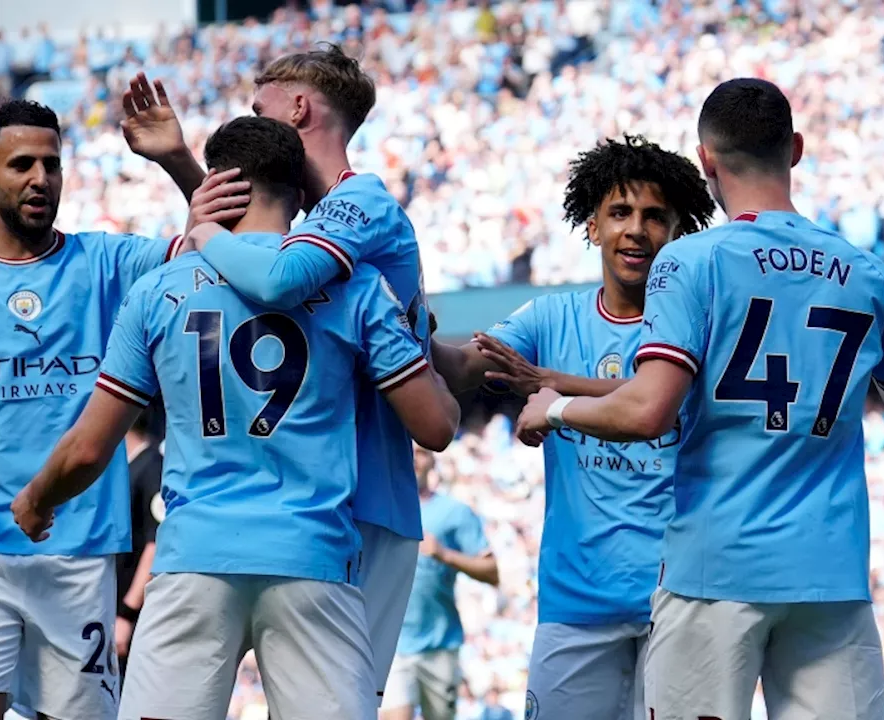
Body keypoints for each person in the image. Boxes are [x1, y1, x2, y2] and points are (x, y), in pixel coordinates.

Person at [9, 116, 460, 720]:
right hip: (314, 562)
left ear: (217, 185)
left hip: (195, 559)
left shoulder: (157, 291)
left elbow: (89, 449)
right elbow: (434, 428)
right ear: (301, 199)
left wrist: (38, 498)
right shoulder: (357, 289)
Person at [515, 78, 884, 720]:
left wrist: (556, 407)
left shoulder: (691, 261)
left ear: (706, 159)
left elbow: (647, 411)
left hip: (713, 575)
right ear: (795, 149)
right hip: (831, 574)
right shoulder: (866, 273)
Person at [0, 97, 205, 720]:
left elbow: (224, 240)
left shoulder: (107, 263)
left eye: (51, 165)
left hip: (79, 549)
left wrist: (175, 159)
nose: (40, 179)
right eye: (21, 164)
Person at [141, 43, 434, 705]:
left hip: (363, 501)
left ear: (299, 107)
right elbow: (258, 238)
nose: (256, 123)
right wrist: (181, 164)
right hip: (309, 501)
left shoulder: (361, 203)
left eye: (260, 108)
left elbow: (273, 276)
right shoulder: (320, 222)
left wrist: (201, 232)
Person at [434, 136, 715, 719]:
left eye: (654, 217)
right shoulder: (550, 316)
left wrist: (553, 385)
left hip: (681, 603)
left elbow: (654, 401)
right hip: (576, 604)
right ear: (592, 227)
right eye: (620, 213)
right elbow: (462, 367)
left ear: (677, 234)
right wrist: (408, 322)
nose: (636, 230)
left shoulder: (704, 323)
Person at [381, 448, 498, 720]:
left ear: (433, 459)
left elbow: (492, 572)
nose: (412, 458)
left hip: (440, 643)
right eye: (405, 450)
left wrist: (444, 554)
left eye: (421, 452)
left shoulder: (454, 512)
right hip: (391, 642)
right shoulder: (376, 509)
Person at [114, 410, 163, 671]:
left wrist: (126, 614)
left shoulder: (153, 466)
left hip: (133, 620)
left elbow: (156, 546)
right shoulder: (126, 468)